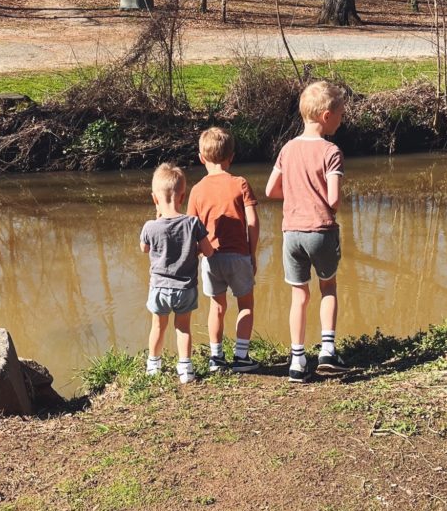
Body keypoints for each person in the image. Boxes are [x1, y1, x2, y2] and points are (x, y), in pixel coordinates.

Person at [265, 80, 347, 383]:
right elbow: (334, 198)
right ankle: (327, 351)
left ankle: (297, 361)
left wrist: (297, 193)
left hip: (292, 233)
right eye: (340, 114)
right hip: (321, 230)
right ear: (326, 116)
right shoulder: (331, 151)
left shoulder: (288, 149)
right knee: (328, 287)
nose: (342, 119)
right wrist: (324, 202)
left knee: (299, 295)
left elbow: (271, 189)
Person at [187, 127, 260, 374]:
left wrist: (196, 254)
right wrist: (252, 253)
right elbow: (252, 222)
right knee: (246, 305)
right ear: (231, 157)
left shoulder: (196, 190)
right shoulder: (240, 183)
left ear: (201, 157)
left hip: (210, 258)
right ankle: (241, 357)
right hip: (239, 255)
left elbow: (190, 227)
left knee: (216, 307)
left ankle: (216, 358)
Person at [140, 163, 213, 384]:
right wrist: (194, 250)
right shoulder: (193, 223)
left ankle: (153, 366)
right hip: (185, 288)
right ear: (182, 197)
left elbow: (144, 249)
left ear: (154, 198)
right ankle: (186, 370)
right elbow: (208, 251)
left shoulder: (150, 227)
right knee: (183, 328)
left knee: (158, 326)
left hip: (160, 288)